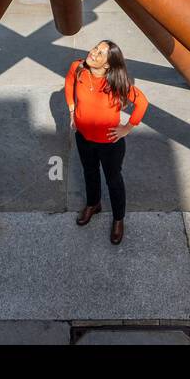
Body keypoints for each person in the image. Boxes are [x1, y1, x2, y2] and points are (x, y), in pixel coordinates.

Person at [65, 40, 148, 246]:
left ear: (108, 65)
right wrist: (72, 109)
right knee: (89, 172)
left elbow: (142, 102)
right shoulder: (78, 69)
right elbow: (68, 84)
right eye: (95, 48)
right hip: (83, 137)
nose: (93, 53)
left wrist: (128, 127)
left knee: (113, 180)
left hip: (109, 143)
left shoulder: (116, 83)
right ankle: (94, 204)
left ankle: (119, 219)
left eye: (100, 53)